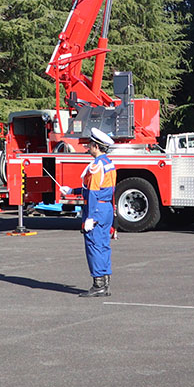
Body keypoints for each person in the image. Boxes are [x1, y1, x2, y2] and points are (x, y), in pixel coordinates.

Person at [61, 127, 116, 298]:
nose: (88, 147)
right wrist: (71, 190)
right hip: (105, 208)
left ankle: (98, 284)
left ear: (97, 146)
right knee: (104, 246)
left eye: (91, 145)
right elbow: (101, 189)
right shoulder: (108, 163)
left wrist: (90, 217)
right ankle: (105, 282)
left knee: (94, 247)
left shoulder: (95, 167)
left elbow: (92, 192)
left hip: (96, 209)